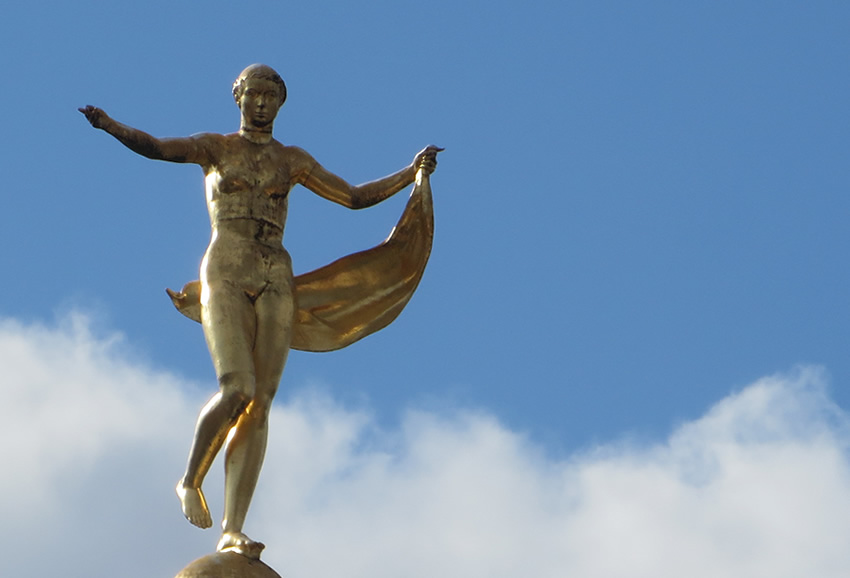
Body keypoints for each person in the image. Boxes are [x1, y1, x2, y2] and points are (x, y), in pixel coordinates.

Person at [80, 64, 440, 558]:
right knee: (238, 387)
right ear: (239, 98)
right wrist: (112, 126)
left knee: (260, 404)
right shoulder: (216, 148)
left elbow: (353, 198)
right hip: (227, 268)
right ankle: (189, 479)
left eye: (272, 95)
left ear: (281, 103)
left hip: (275, 274)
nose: (263, 103)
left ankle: (232, 529)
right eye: (255, 94)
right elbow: (160, 148)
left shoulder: (292, 161)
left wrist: (411, 173)